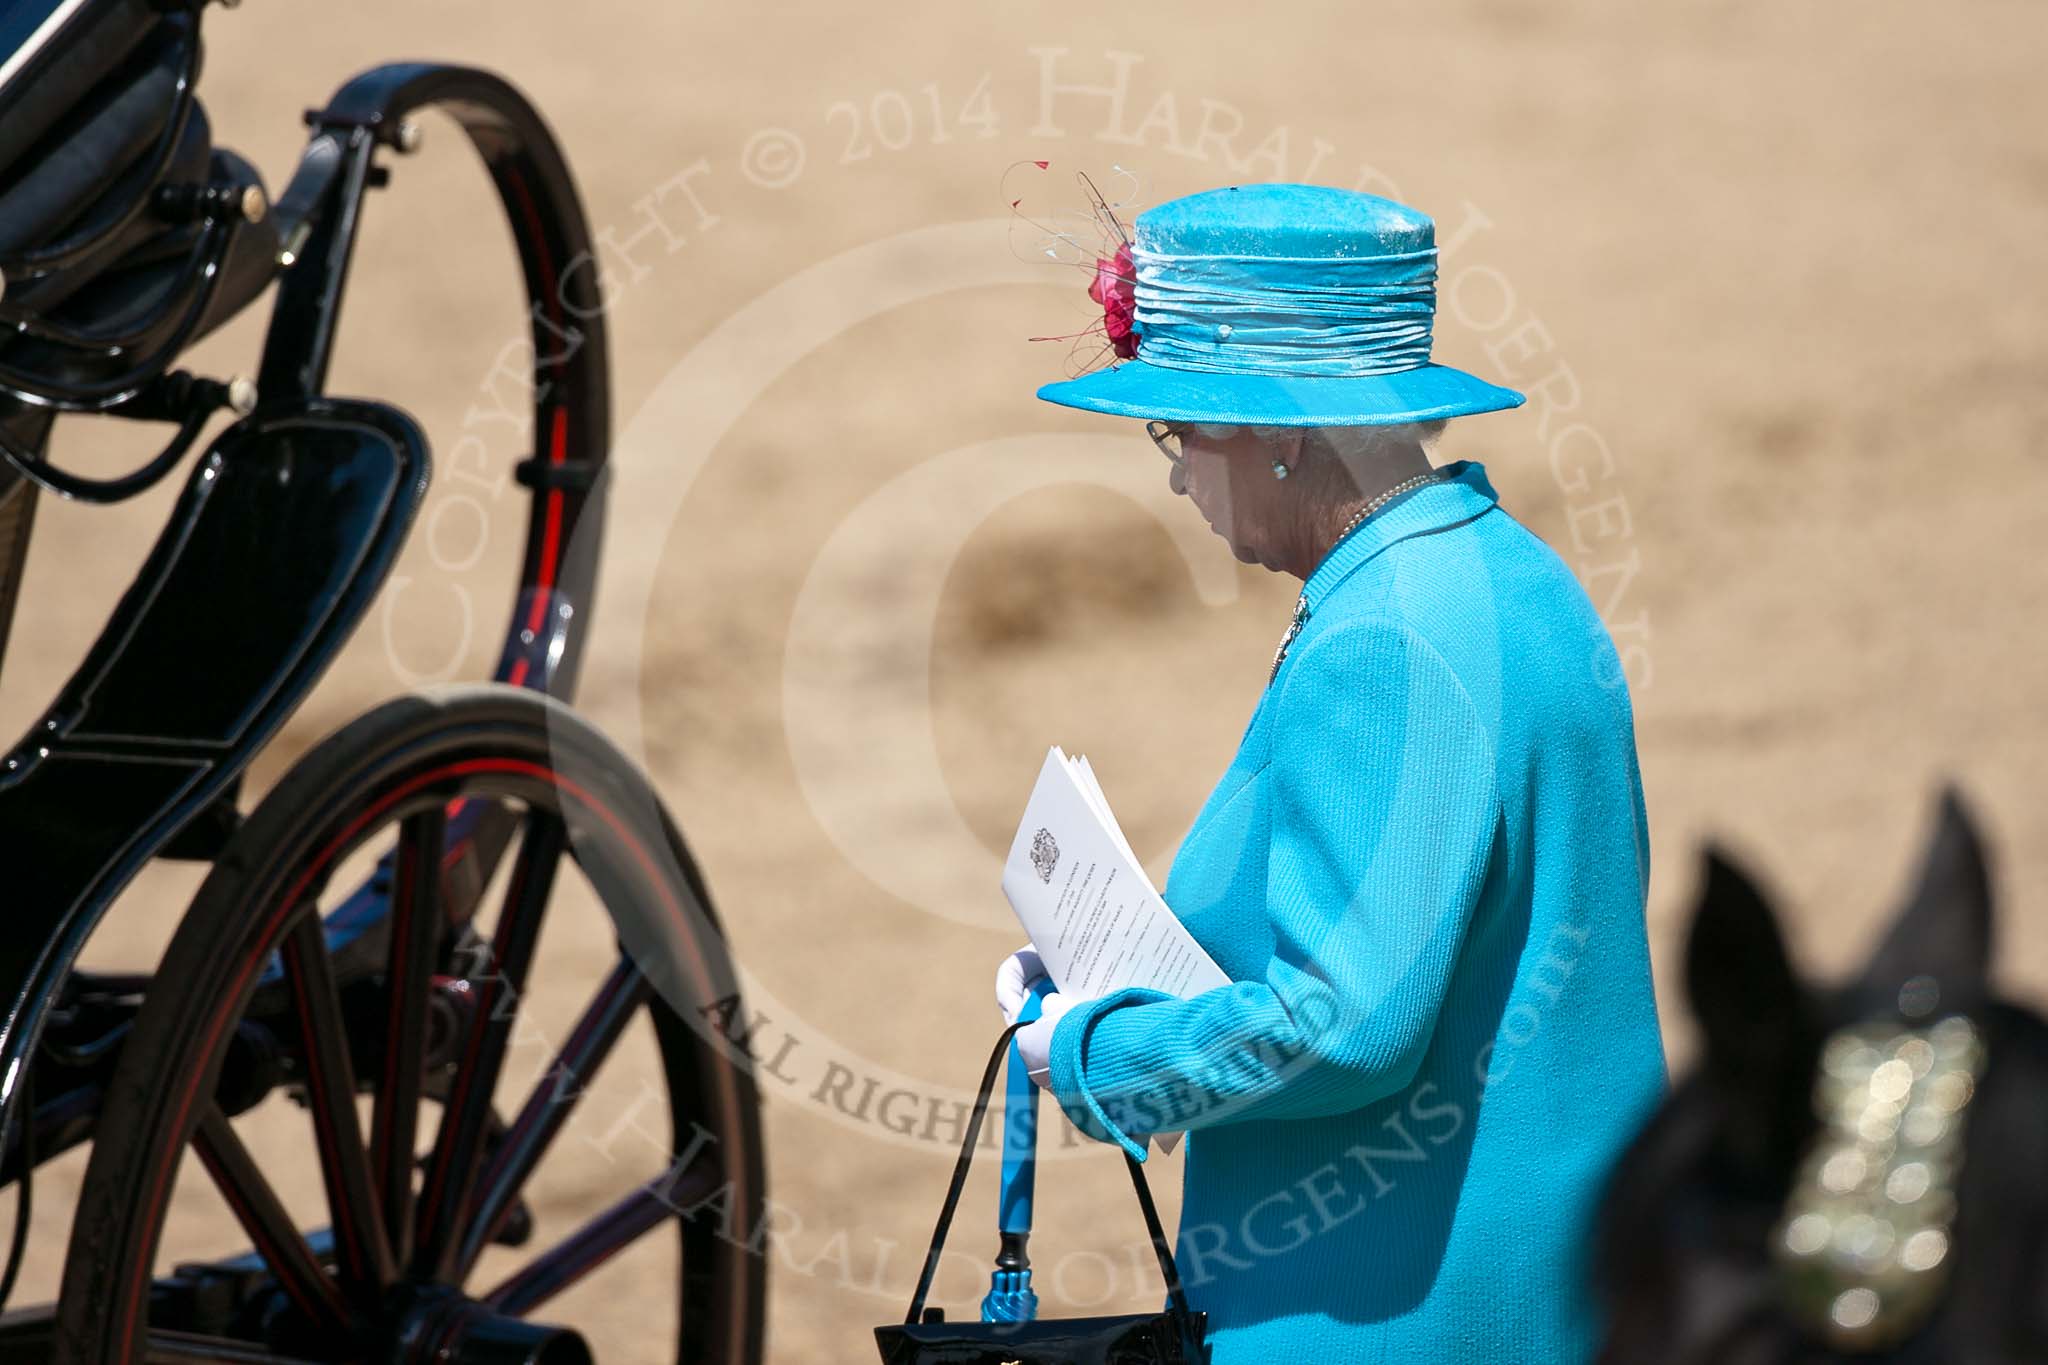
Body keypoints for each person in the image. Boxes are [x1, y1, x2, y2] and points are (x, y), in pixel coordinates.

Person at [993, 183, 1667, 1363]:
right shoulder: (1513, 575)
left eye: (1178, 435)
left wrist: (1096, 1056)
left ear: (1282, 433)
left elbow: (1345, 1023)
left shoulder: (1381, 643)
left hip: (1400, 1309)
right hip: (1558, 1286)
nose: (1173, 479)